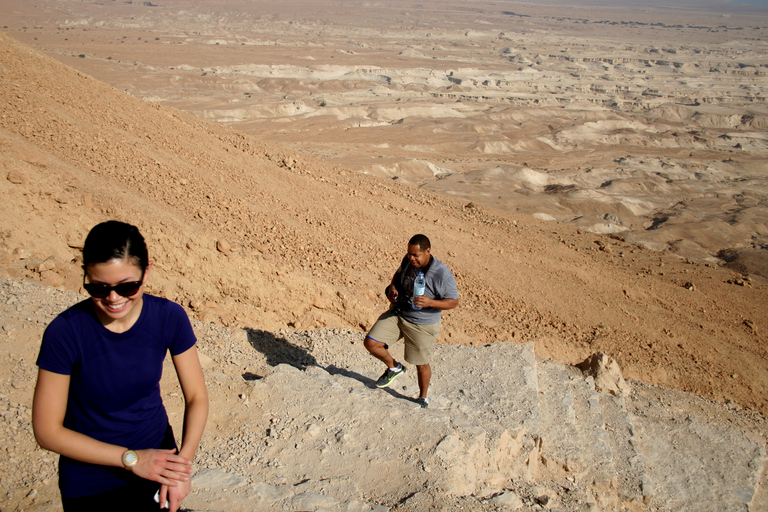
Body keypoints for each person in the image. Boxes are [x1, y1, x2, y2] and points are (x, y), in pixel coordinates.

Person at [32, 221, 209, 512]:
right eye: (98, 288)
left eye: (127, 286)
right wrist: (134, 459)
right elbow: (47, 430)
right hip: (92, 481)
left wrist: (182, 466)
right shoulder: (65, 333)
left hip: (160, 465)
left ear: (146, 272)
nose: (113, 298)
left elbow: (197, 397)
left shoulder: (169, 318)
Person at [363, 234, 459, 408]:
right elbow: (398, 274)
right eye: (409, 254)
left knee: (420, 363)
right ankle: (395, 368)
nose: (411, 258)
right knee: (371, 343)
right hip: (400, 313)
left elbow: (453, 301)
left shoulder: (442, 274)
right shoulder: (408, 261)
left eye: (415, 255)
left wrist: (430, 302)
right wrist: (393, 286)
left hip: (422, 323)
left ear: (427, 251)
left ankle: (422, 398)